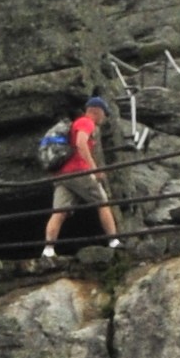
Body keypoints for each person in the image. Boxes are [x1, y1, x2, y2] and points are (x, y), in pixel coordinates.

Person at [41, 90, 121, 264]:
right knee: (103, 202)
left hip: (62, 174)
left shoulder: (76, 123)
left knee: (59, 212)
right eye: (104, 114)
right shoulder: (86, 122)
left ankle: (48, 250)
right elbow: (80, 143)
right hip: (78, 171)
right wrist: (94, 169)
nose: (104, 118)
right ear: (97, 111)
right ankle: (114, 241)